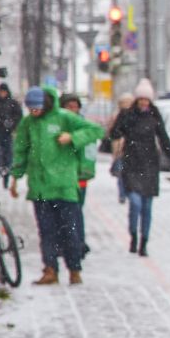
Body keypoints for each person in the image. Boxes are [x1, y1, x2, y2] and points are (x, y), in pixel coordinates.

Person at [10, 87, 103, 285]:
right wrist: (15, 178)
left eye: (37, 108)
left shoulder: (64, 118)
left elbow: (95, 131)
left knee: (70, 230)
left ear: (46, 104)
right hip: (40, 188)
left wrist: (73, 138)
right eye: (31, 109)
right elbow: (21, 150)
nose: (34, 112)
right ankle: (50, 269)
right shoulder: (28, 124)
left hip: (64, 187)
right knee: (46, 231)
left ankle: (74, 270)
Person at [108, 80, 170, 256]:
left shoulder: (154, 116)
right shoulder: (128, 115)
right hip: (131, 164)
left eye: (146, 99)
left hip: (149, 166)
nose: (143, 103)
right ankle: (133, 235)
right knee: (135, 203)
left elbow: (164, 140)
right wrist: (121, 120)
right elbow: (114, 134)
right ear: (137, 99)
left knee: (147, 208)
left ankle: (144, 243)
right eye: (141, 99)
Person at [60, 93, 94, 260]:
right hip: (60, 177)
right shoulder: (58, 125)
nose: (73, 110)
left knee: (76, 211)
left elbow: (89, 153)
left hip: (79, 177)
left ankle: (78, 243)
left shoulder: (83, 126)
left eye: (75, 106)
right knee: (64, 212)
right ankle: (68, 243)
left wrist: (86, 171)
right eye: (69, 106)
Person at [0, 83, 22, 186]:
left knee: (8, 158)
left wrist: (12, 123)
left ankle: (6, 180)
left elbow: (18, 116)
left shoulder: (12, 103)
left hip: (7, 134)